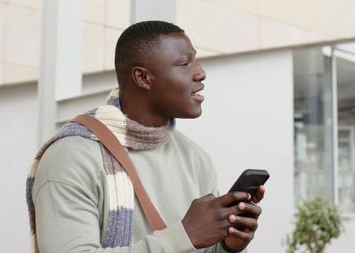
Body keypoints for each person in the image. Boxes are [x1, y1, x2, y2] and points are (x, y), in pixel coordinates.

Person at [26, 20, 265, 253]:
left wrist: (226, 246)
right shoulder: (71, 156)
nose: (201, 73)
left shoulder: (195, 158)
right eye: (184, 64)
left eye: (196, 61)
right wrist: (184, 236)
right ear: (142, 78)